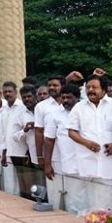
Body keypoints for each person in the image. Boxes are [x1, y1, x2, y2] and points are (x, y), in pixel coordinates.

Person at [67, 74, 112, 214]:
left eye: (95, 87)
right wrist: (86, 143)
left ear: (104, 90)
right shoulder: (79, 107)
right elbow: (71, 132)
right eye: (88, 87)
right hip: (89, 163)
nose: (90, 90)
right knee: (93, 204)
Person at [44, 84, 85, 214]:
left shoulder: (85, 111)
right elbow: (49, 140)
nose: (66, 100)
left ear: (77, 98)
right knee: (73, 198)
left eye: (69, 97)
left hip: (88, 161)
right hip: (69, 162)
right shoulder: (54, 115)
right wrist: (47, 164)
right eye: (63, 97)